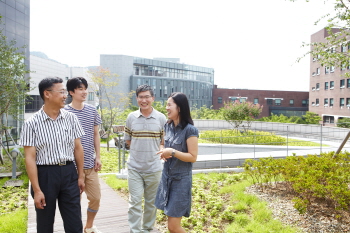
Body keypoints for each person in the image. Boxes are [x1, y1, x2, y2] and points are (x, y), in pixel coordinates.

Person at [20, 77, 85, 233]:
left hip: (69, 173)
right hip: (45, 176)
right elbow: (30, 158)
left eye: (65, 92)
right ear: (47, 94)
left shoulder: (71, 118)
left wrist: (80, 176)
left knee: (75, 223)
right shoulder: (32, 123)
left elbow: (78, 148)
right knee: (45, 225)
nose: (65, 95)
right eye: (61, 92)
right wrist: (37, 190)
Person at [124, 84, 167, 233]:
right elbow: (128, 140)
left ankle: (147, 229)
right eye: (141, 97)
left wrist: (159, 151)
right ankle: (135, 230)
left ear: (152, 98)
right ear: (137, 99)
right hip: (134, 167)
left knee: (151, 203)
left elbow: (163, 142)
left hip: (154, 168)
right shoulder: (131, 117)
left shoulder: (161, 118)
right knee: (134, 201)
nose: (144, 100)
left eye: (147, 96)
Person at [155, 92, 199, 233]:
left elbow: (193, 157)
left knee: (173, 226)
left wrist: (172, 152)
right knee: (171, 225)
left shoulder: (190, 130)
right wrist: (163, 151)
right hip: (166, 178)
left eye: (169, 105)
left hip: (181, 182)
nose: (166, 108)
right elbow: (162, 144)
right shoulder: (167, 126)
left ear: (179, 107)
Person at [65, 77, 103, 233]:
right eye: (80, 89)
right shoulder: (64, 112)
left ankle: (88, 226)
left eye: (85, 88)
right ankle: (77, 229)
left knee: (95, 198)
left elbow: (96, 134)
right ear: (71, 92)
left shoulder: (92, 110)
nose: (84, 92)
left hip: (90, 164)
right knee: (75, 201)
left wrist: (98, 156)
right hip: (71, 166)